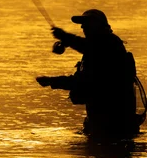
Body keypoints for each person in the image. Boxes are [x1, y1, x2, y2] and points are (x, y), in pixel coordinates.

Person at [36, 9, 139, 138]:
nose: (82, 27)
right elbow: (82, 79)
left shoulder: (109, 44)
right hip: (102, 124)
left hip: (113, 126)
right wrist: (51, 81)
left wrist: (65, 37)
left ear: (98, 25)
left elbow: (85, 80)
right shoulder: (97, 49)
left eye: (87, 23)